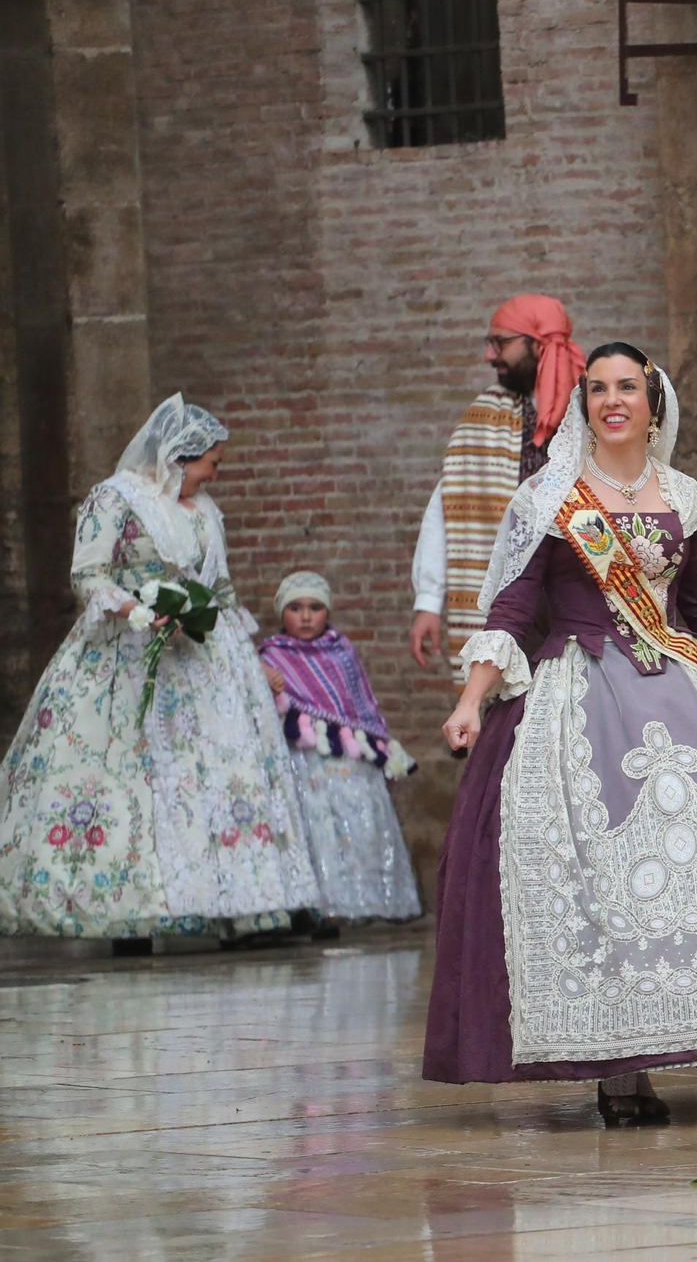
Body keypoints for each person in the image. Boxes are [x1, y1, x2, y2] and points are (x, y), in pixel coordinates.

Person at [423, 343, 697, 1124]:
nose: (611, 400)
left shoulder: (681, 494)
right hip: (578, 692)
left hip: (678, 689)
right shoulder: (551, 496)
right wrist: (472, 698)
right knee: (602, 874)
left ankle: (690, 1028)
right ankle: (619, 1070)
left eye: (627, 386)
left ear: (652, 402)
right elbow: (515, 609)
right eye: (597, 388)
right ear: (583, 402)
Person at [0, 396, 320, 945]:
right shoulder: (115, 498)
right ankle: (131, 916)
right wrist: (141, 612)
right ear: (178, 455)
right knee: (130, 776)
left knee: (219, 774)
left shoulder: (204, 510)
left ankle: (245, 909)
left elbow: (220, 588)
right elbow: (90, 575)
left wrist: (250, 656)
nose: (214, 474)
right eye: (210, 464)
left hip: (204, 658)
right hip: (127, 653)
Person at [409, 294, 585, 675]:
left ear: (537, 344)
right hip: (511, 608)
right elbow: (448, 508)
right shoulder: (484, 417)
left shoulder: (591, 408)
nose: (490, 356)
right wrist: (427, 599)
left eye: (500, 343)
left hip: (582, 605)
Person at [257, 571, 422, 924]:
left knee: (360, 826)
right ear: (281, 612)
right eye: (295, 607)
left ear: (327, 611)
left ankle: (370, 902)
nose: (305, 616)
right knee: (318, 830)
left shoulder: (342, 651)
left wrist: (378, 746)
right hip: (304, 763)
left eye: (315, 607)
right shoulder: (271, 656)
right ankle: (322, 904)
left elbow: (361, 706)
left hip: (351, 764)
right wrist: (263, 677)